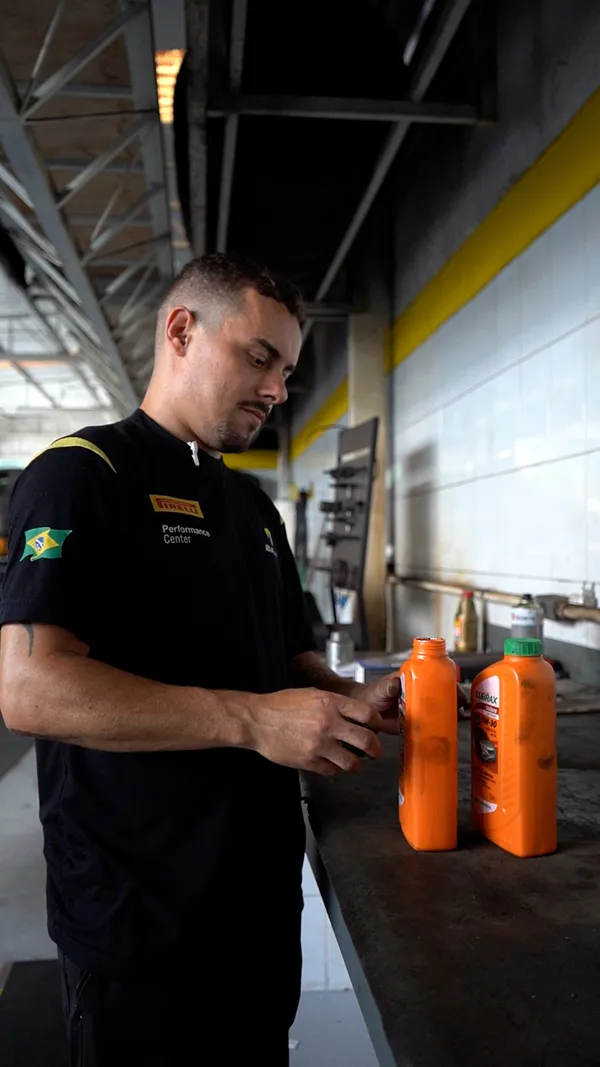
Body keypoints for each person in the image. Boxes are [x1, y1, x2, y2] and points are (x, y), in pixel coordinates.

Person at [0, 253, 401, 1066]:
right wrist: (253, 719)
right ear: (181, 331)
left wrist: (351, 695)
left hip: (254, 911)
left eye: (288, 370)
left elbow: (283, 661)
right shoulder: (82, 477)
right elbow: (30, 689)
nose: (278, 390)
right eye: (260, 358)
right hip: (138, 924)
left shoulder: (252, 508)